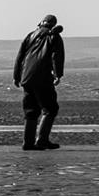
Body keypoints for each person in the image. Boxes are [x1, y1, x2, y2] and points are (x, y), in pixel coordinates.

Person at [13, 13, 65, 151]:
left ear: (41, 23)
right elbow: (56, 56)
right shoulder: (54, 36)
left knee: (30, 111)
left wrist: (16, 76)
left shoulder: (30, 35)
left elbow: (20, 57)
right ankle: (42, 140)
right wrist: (57, 74)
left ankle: (28, 143)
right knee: (50, 109)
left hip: (26, 78)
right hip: (42, 78)